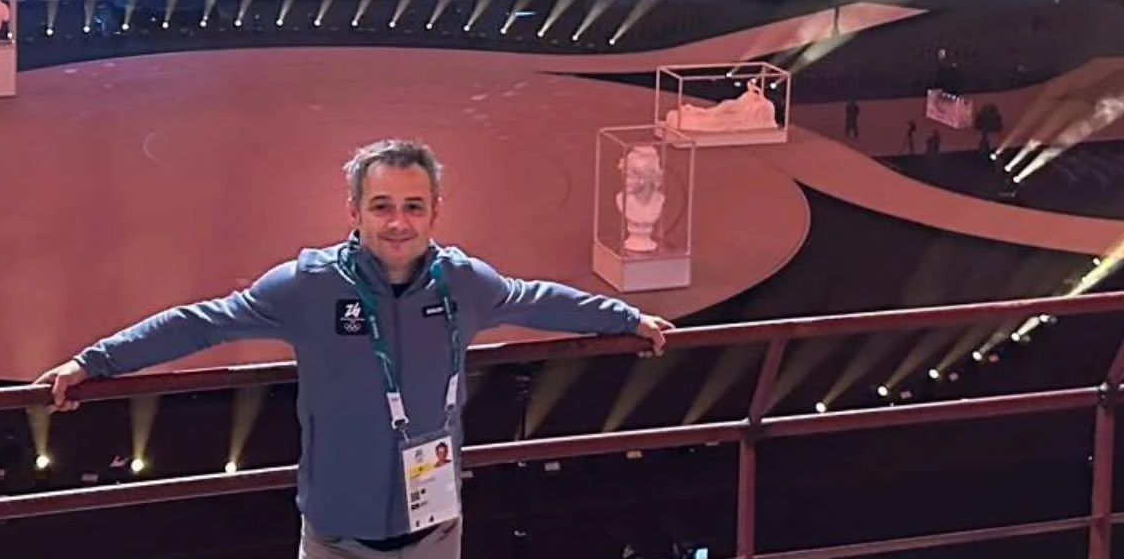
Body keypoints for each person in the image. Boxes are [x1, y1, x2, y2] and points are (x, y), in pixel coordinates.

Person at [36, 138, 673, 559]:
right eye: (383, 206)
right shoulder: (308, 286)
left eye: (413, 206)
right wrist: (95, 361)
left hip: (436, 530)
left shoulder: (462, 283)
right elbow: (201, 323)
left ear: (435, 212)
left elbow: (537, 300)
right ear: (355, 211)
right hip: (337, 536)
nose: (399, 222)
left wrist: (627, 317)